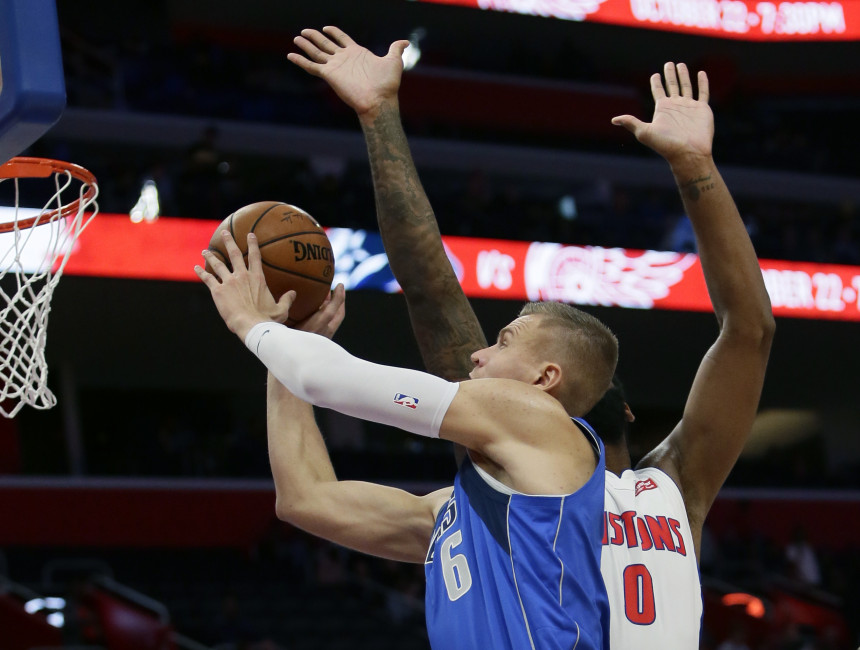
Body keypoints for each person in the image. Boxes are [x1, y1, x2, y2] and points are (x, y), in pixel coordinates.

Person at [288, 26, 774, 648]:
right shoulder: (498, 471)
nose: (481, 358)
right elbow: (430, 287)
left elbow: (750, 331)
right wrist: (378, 117)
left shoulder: (673, 484)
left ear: (619, 408)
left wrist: (697, 169)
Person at [195, 241, 617, 647]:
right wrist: (281, 356)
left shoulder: (540, 416)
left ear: (544, 379)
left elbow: (322, 379)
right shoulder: (463, 513)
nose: (478, 354)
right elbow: (304, 499)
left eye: (503, 342)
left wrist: (250, 321)